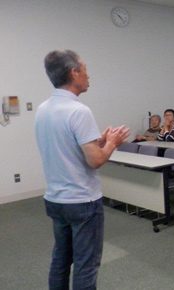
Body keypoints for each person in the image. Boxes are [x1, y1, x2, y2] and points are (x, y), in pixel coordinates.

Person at [35, 50, 130, 289]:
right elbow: (95, 161)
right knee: (86, 266)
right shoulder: (79, 110)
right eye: (85, 69)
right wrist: (112, 143)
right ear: (74, 72)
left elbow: (68, 147)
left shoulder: (43, 109)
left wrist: (99, 141)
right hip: (82, 201)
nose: (88, 75)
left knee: (60, 259)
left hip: (56, 199)